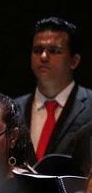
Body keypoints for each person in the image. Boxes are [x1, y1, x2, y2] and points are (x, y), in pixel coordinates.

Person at [14, 17, 92, 161]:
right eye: (37, 50)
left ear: (74, 61)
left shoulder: (90, 106)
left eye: (54, 50)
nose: (43, 56)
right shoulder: (14, 108)